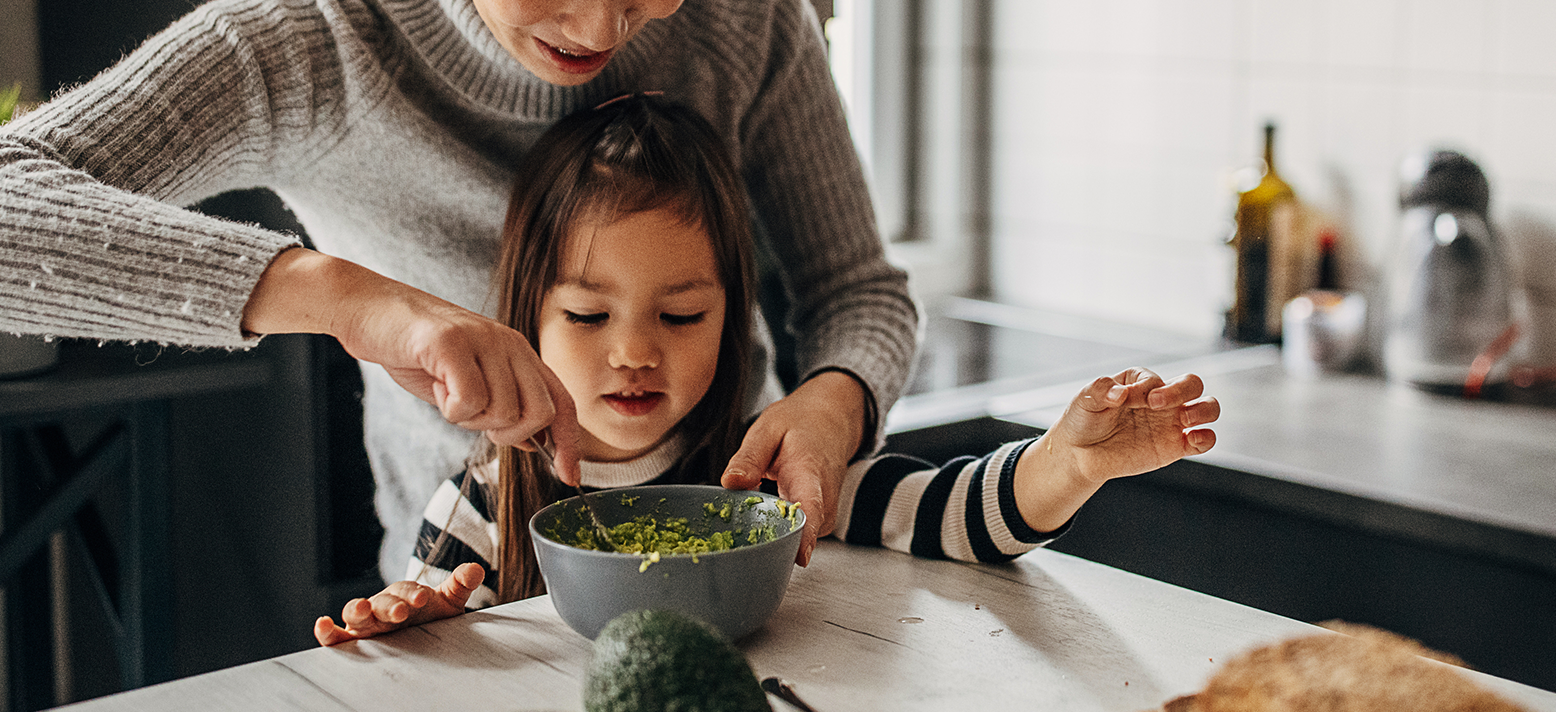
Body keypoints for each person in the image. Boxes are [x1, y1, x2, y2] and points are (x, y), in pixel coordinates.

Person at [0, 0, 917, 579]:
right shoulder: (306, 42)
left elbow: (858, 290)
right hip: (470, 589)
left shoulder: (746, 22)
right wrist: (349, 302)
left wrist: (838, 403)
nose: (599, 28)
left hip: (743, 561)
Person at [311, 95, 1220, 644]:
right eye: (588, 315)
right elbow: (434, 631)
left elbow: (952, 519)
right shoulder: (480, 502)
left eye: (681, 314)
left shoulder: (768, 478)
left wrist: (1068, 461)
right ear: (525, 322)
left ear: (737, 320)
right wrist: (415, 625)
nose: (634, 350)